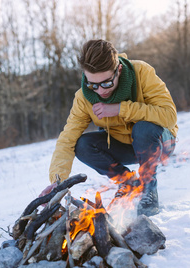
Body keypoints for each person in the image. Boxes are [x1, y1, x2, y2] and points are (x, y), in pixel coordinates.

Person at [40, 39, 178, 217]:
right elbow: (67, 138)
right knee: (82, 144)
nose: (100, 91)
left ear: (118, 70)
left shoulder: (141, 72)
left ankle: (148, 190)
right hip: (125, 147)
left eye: (106, 83)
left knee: (143, 129)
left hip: (160, 141)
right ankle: (128, 182)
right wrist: (58, 181)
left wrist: (121, 108)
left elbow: (169, 115)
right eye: (92, 84)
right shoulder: (84, 98)